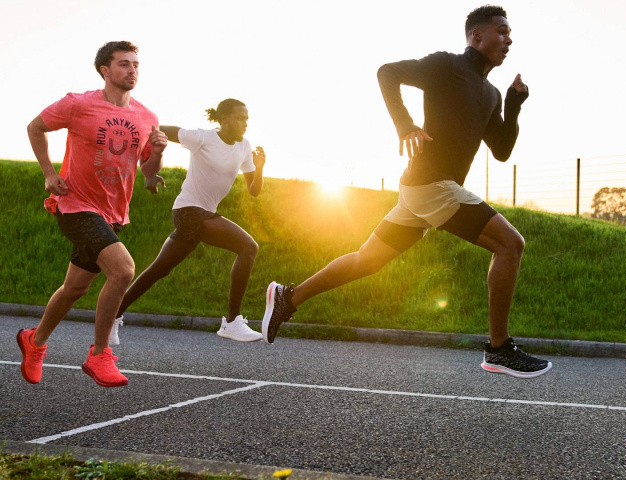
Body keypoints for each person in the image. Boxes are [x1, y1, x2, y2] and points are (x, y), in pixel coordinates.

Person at [262, 5, 552, 378]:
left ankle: (289, 296)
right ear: (477, 36)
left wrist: (512, 106)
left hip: (423, 190)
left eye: (510, 33)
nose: (508, 39)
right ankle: (499, 349)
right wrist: (404, 124)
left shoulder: (492, 94)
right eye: (502, 31)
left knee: (367, 260)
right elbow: (388, 72)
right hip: (432, 184)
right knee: (510, 244)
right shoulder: (446, 65)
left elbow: (501, 150)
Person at [18, 41, 167, 387]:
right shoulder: (78, 104)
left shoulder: (147, 117)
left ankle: (34, 341)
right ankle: (99, 354)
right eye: (124, 64)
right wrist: (49, 173)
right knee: (123, 270)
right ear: (105, 70)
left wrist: (158, 154)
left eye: (135, 65)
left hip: (112, 212)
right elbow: (35, 127)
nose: (132, 70)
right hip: (75, 204)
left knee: (74, 288)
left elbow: (147, 171)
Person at [111, 99, 266, 344]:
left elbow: (254, 190)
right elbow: (156, 130)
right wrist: (149, 171)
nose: (245, 123)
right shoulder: (202, 137)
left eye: (246, 119)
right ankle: (232, 321)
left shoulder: (244, 147)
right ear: (224, 119)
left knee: (159, 270)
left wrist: (259, 168)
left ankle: (113, 314)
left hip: (202, 213)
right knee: (248, 247)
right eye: (239, 118)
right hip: (189, 210)